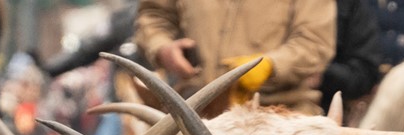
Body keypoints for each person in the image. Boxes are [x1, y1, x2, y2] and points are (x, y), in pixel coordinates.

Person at [135, 0, 336, 114]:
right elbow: (154, 15)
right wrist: (163, 49)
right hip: (194, 111)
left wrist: (270, 66)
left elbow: (315, 43)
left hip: (277, 115)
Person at [319, 0, 383, 112]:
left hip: (325, 107)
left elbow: (365, 74)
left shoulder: (351, 4)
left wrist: (322, 73)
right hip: (281, 90)